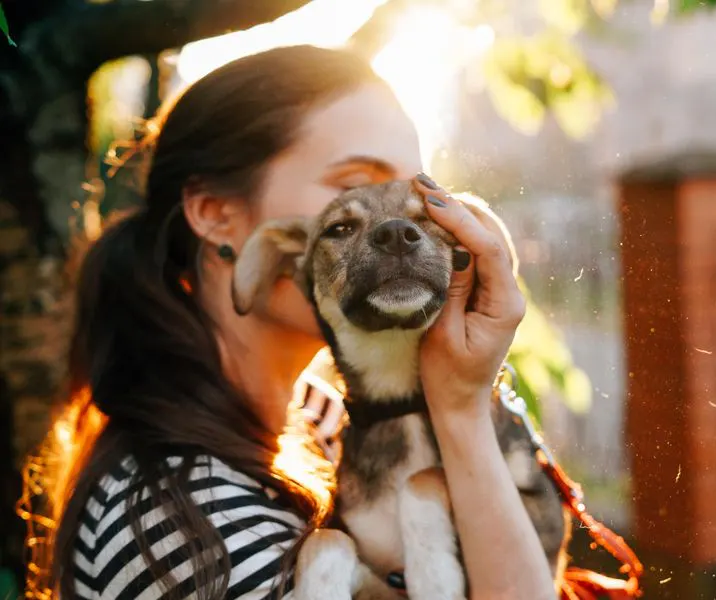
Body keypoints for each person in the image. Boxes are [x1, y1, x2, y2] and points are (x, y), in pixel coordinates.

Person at [26, 44, 557, 600]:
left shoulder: (323, 413)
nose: (399, 223)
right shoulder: (178, 525)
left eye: (419, 198)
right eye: (353, 186)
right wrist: (462, 410)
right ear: (216, 216)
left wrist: (462, 403)